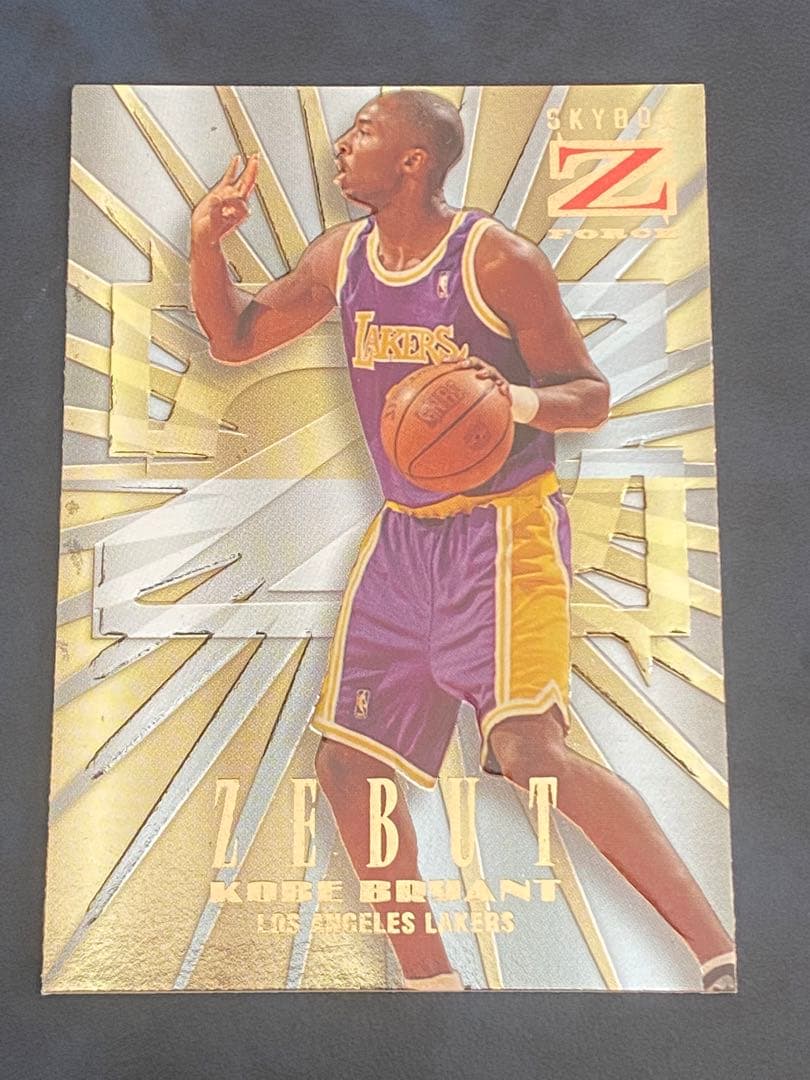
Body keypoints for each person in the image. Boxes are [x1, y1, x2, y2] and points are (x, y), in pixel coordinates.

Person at [190, 89, 736, 992]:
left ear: (413, 161)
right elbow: (236, 337)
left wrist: (509, 400)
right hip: (403, 540)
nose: (342, 143)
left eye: (365, 131)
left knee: (529, 754)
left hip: (503, 529)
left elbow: (589, 395)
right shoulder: (342, 256)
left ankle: (720, 953)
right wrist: (208, 244)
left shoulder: (498, 261)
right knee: (346, 765)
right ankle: (431, 987)